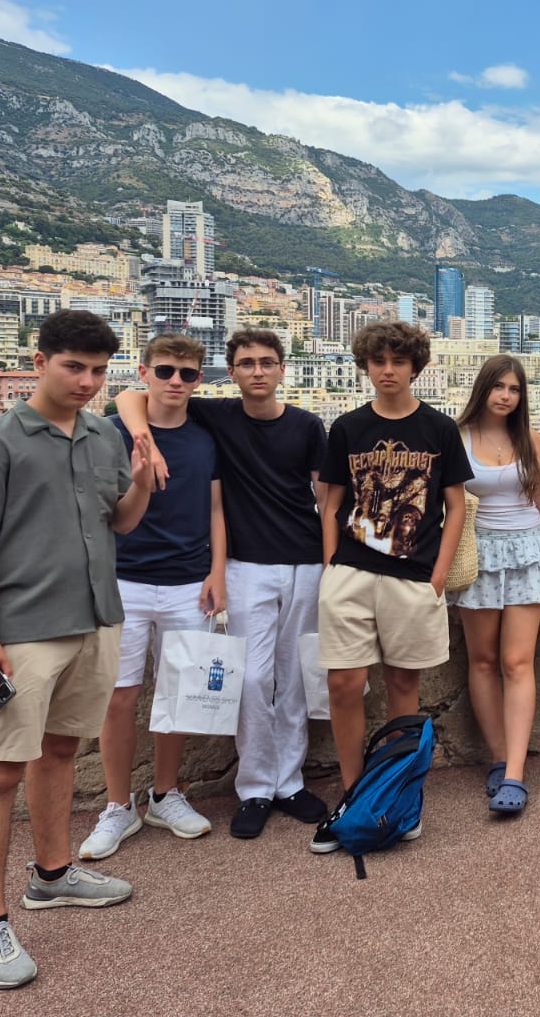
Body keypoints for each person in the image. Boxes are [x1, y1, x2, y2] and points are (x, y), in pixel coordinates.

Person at [0, 310, 152, 989]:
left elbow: (119, 521)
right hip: (24, 631)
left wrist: (142, 483)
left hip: (95, 619)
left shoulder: (101, 435)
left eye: (98, 371)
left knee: (61, 750)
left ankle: (53, 876)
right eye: (74, 367)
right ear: (40, 362)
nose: (87, 382)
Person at [118, 328, 330, 840]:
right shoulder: (216, 414)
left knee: (294, 678)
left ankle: (289, 782)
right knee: (251, 678)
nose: (258, 371)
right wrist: (145, 440)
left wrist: (331, 564)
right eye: (247, 363)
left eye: (267, 362)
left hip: (304, 563)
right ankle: (255, 786)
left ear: (282, 369)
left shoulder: (307, 425)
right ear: (231, 373)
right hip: (244, 564)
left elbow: (326, 500)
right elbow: (129, 395)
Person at [310, 321, 473, 852]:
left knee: (405, 689)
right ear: (365, 366)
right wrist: (331, 564)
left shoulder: (438, 428)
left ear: (414, 368)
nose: (387, 370)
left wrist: (438, 575)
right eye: (378, 361)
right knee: (344, 686)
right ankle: (354, 799)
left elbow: (455, 507)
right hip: (352, 571)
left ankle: (397, 800)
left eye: (398, 361)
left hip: (414, 576)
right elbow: (331, 503)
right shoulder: (348, 427)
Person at [81, 335, 227, 861]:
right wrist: (144, 439)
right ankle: (117, 805)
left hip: (188, 581)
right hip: (124, 578)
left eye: (187, 374)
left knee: (181, 693)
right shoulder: (112, 431)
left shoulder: (205, 437)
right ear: (143, 373)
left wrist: (217, 572)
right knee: (119, 696)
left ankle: (166, 793)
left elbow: (216, 507)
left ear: (200, 380)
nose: (175, 382)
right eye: (164, 371)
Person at [447, 355, 540, 814]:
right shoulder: (457, 436)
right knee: (481, 661)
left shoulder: (529, 438)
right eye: (498, 386)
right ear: (483, 388)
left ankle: (515, 772)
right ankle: (498, 758)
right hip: (477, 555)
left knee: (517, 662)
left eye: (514, 389)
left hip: (526, 553)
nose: (506, 396)